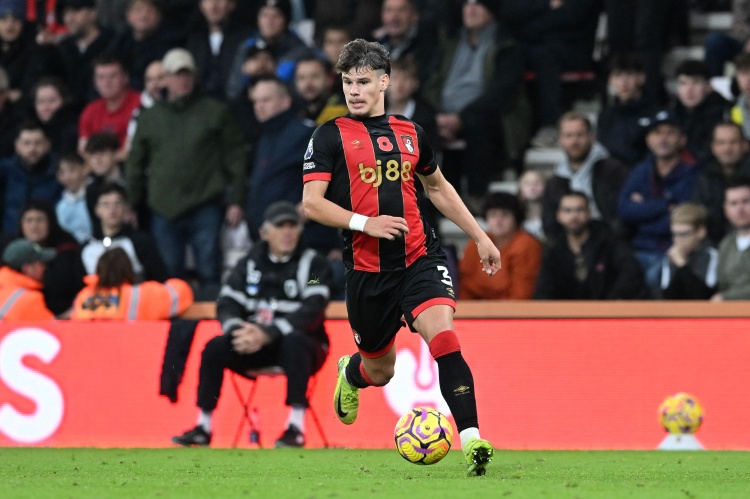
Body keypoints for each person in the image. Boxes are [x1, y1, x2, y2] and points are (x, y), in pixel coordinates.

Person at [302, 39, 497, 475]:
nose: (354, 91)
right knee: (380, 371)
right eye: (348, 82)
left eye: (363, 82)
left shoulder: (410, 132)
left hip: (419, 257)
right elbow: (311, 204)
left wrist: (480, 236)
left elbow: (438, 188)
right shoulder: (328, 135)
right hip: (367, 271)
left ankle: (472, 441)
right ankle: (351, 374)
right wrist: (364, 223)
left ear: (384, 81)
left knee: (444, 339)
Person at [171, 201, 332, 448]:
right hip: (254, 343)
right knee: (214, 347)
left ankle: (295, 428)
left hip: (306, 345)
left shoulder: (313, 264)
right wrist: (238, 332)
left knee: (295, 342)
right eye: (280, 226)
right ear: (264, 233)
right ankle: (203, 426)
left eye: (292, 226)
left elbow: (313, 308)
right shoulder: (248, 263)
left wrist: (269, 333)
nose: (287, 232)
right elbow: (226, 302)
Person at [127, 48, 246, 296]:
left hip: (206, 204)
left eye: (187, 74)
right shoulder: (149, 118)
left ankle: (213, 316)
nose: (183, 80)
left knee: (209, 270)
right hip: (163, 208)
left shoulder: (215, 111)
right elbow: (135, 163)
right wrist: (131, 203)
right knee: (170, 274)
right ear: (165, 79)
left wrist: (237, 199)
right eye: (176, 74)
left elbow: (235, 158)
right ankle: (175, 319)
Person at [423, 0, 528, 205]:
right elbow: (431, 83)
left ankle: (477, 194)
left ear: (491, 10)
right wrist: (438, 115)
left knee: (478, 122)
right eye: (467, 4)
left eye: (478, 4)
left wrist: (460, 118)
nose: (470, 9)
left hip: (489, 115)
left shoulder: (507, 44)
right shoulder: (450, 42)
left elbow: (501, 93)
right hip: (444, 113)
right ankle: (431, 200)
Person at [617, 110, 700, 292]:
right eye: (657, 133)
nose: (663, 139)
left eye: (670, 133)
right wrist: (664, 205)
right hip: (639, 250)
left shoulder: (692, 173)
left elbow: (683, 218)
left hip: (675, 251)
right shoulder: (641, 170)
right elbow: (624, 209)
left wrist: (643, 209)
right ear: (648, 139)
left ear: (682, 140)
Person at [534, 191, 647, 300]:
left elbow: (631, 272)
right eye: (568, 211)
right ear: (559, 216)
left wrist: (610, 303)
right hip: (567, 311)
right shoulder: (554, 250)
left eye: (580, 210)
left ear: (589, 213)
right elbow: (544, 290)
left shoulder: (609, 241)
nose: (574, 216)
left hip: (608, 309)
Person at [542, 112, 631, 241]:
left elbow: (622, 216)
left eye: (580, 135)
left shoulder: (614, 171)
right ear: (560, 140)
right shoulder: (554, 182)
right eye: (568, 135)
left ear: (591, 137)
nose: (574, 141)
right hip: (569, 244)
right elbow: (550, 225)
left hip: (610, 241)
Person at [246, 75, 314, 238]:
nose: (259, 107)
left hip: (301, 235)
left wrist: (309, 204)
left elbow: (333, 174)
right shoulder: (264, 136)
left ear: (285, 101)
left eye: (266, 100)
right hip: (268, 237)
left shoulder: (305, 133)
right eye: (256, 101)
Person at [459, 192, 541, 300]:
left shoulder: (527, 244)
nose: (498, 220)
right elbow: (465, 284)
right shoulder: (476, 243)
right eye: (492, 215)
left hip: (514, 308)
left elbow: (521, 293)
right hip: (475, 307)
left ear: (516, 218)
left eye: (504, 215)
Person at [71, 247, 193, 319]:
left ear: (98, 270)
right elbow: (181, 292)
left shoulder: (83, 296)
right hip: (126, 352)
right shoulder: (137, 295)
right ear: (128, 270)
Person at [82, 183, 167, 283]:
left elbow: (159, 279)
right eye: (106, 204)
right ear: (97, 210)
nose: (112, 209)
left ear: (125, 207)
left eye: (117, 203)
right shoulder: (87, 247)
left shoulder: (141, 242)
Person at [17, 200, 86, 317]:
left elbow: (70, 285)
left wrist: (44, 275)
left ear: (50, 222)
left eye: (40, 220)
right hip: (20, 316)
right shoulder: (13, 250)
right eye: (29, 220)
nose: (34, 226)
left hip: (64, 315)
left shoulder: (67, 247)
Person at [0, 120, 62, 236]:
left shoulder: (59, 171)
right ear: (17, 145)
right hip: (9, 237)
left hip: (49, 239)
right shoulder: (5, 170)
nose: (32, 149)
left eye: (38, 143)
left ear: (47, 145)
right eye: (26, 143)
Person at [693, 121, 750, 244]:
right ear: (713, 147)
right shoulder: (706, 178)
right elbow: (697, 217)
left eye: (733, 142)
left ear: (745, 145)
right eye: (721, 143)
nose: (727, 148)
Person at [77, 55, 142, 157]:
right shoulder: (90, 111)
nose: (107, 82)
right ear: (95, 83)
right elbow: (83, 150)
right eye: (101, 77)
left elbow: (137, 149)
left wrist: (107, 160)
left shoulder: (141, 103)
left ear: (125, 78)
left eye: (113, 76)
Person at [596, 53, 652, 167]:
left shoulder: (654, 114)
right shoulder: (605, 116)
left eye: (629, 74)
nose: (624, 82)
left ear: (641, 78)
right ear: (610, 80)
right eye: (618, 75)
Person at [670, 59, 731, 164]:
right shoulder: (671, 113)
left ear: (708, 87)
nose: (689, 90)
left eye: (696, 82)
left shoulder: (721, 112)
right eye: (683, 83)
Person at [56, 0, 114, 106]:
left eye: (76, 11)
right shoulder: (64, 47)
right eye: (66, 13)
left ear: (93, 13)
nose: (69, 18)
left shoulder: (112, 43)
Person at [659, 203, 718, 300]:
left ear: (701, 232)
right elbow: (667, 297)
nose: (677, 240)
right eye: (674, 234)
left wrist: (682, 265)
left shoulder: (711, 256)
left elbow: (704, 296)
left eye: (684, 234)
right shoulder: (670, 257)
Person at [712, 176, 750, 301]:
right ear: (726, 210)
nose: (740, 209)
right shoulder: (726, 245)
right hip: (730, 311)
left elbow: (724, 294)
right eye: (733, 203)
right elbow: (722, 285)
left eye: (746, 201)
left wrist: (726, 297)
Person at [0, 238, 56, 320]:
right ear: (27, 269)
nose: (44, 267)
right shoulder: (28, 300)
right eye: (41, 263)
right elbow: (52, 327)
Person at [55, 152, 93, 244]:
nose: (67, 177)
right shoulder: (61, 206)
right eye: (62, 173)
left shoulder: (97, 195)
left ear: (85, 169)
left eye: (71, 170)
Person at [517, 170, 545, 242]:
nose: (532, 187)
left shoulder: (554, 213)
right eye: (527, 183)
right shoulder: (514, 215)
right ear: (520, 189)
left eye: (537, 183)